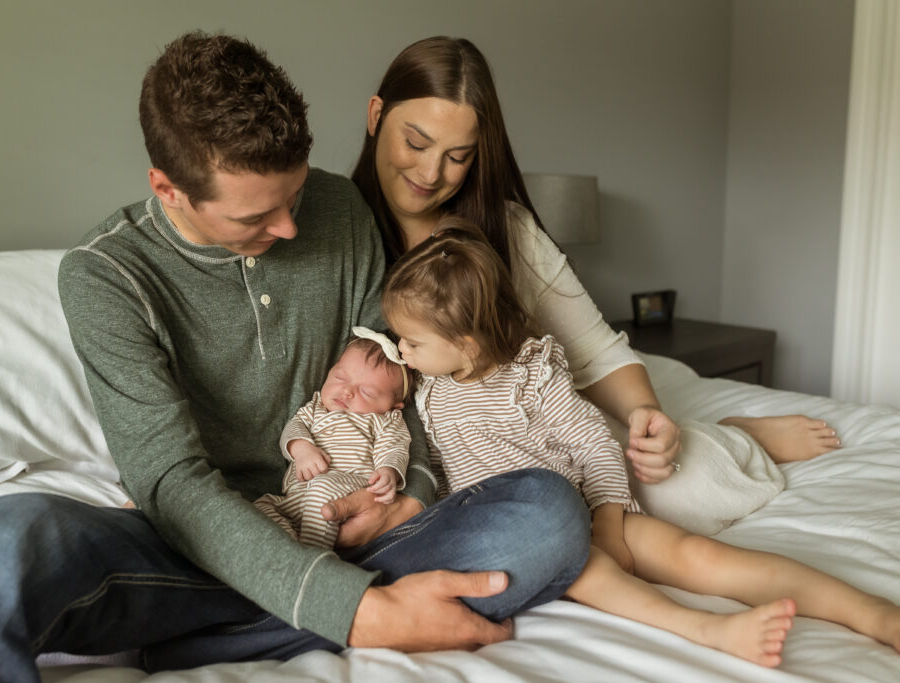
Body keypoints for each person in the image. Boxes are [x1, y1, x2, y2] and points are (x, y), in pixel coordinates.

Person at [0, 32, 592, 682]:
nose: (288, 226)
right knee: (10, 533)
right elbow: (172, 483)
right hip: (193, 545)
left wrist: (412, 492)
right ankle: (285, 617)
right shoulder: (105, 276)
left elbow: (411, 382)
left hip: (347, 523)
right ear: (169, 188)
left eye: (295, 196)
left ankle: (218, 639)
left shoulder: (342, 211)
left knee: (549, 510)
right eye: (255, 216)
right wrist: (360, 613)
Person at [350, 36, 840, 512]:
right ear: (376, 116)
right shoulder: (336, 233)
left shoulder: (505, 231)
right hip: (412, 461)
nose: (431, 173)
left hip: (524, 436)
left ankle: (735, 434)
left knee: (680, 491)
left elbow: (595, 350)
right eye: (415, 143)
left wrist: (646, 415)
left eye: (458, 156)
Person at [381, 221, 900, 667]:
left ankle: (870, 611)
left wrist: (609, 520)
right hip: (517, 536)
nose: (400, 349)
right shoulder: (425, 387)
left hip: (584, 510)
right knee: (590, 572)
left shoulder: (531, 378)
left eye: (412, 341)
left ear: (467, 348)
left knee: (697, 554)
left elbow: (595, 446)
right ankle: (706, 630)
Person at [254, 329, 413, 549]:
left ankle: (312, 556)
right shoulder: (316, 407)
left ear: (394, 405)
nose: (347, 391)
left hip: (349, 491)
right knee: (260, 507)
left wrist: (389, 472)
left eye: (366, 392)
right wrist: (302, 449)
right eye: (340, 377)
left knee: (322, 486)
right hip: (297, 499)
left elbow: (395, 448)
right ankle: (292, 548)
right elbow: (294, 428)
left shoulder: (385, 420)